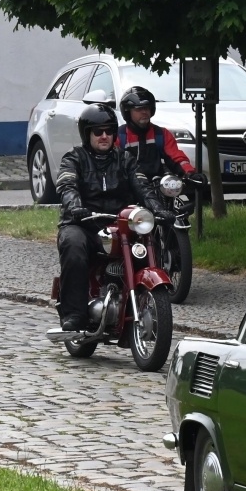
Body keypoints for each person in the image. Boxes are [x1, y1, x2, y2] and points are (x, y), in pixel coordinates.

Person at [54, 103, 162, 331]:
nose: (104, 136)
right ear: (87, 134)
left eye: (109, 131)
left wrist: (156, 207)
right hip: (83, 224)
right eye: (97, 131)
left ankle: (141, 303)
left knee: (147, 239)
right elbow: (66, 184)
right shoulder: (74, 158)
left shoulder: (126, 159)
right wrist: (75, 206)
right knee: (73, 244)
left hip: (119, 225)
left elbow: (142, 185)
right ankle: (74, 314)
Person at [116, 86, 197, 181]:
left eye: (147, 108)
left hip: (157, 187)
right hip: (128, 187)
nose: (144, 112)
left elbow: (176, 157)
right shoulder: (118, 135)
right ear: (128, 112)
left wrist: (190, 173)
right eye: (138, 109)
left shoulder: (161, 134)